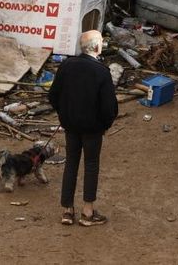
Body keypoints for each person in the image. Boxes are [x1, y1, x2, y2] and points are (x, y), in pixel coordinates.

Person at [47, 29, 118, 227]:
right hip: (93, 128)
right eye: (101, 42)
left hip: (70, 125)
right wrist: (105, 124)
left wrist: (64, 114)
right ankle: (88, 212)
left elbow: (53, 96)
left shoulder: (67, 66)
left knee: (71, 163)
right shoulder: (102, 72)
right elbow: (109, 107)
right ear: (96, 46)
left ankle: (67, 211)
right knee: (91, 165)